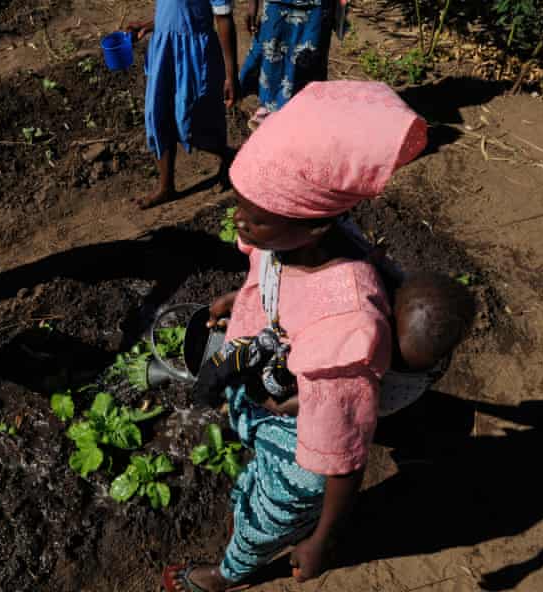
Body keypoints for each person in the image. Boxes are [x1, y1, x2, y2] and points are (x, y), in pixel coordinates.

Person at [161, 80, 429, 592]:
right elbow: (266, 270)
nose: (239, 224)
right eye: (239, 206)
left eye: (254, 219)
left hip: (302, 446)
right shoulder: (287, 237)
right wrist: (235, 300)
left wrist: (324, 541)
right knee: (249, 444)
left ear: (312, 228)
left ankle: (229, 572)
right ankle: (259, 473)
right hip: (277, 386)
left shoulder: (346, 329)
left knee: (269, 516)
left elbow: (343, 458)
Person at [128, 0, 239, 209]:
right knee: (159, 115)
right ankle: (165, 187)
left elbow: (223, 17)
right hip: (164, 50)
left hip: (194, 54)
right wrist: (149, 25)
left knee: (191, 122)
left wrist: (231, 74)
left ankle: (229, 155)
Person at [240, 0, 336, 131]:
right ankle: (269, 109)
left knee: (308, 60)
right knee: (271, 55)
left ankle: (299, 119)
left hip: (316, 7)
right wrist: (253, 4)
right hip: (277, 4)